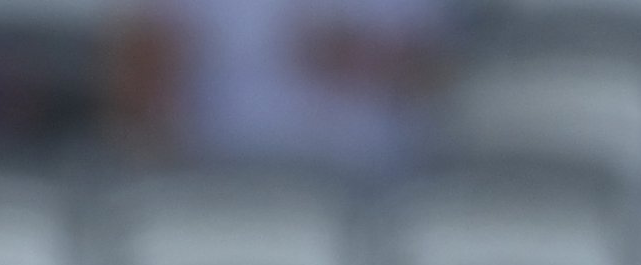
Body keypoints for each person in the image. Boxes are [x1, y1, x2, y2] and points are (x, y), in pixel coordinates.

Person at [110, 0, 453, 179]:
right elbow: (140, 69)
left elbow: (437, 74)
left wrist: (361, 56)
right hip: (221, 168)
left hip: (367, 176)